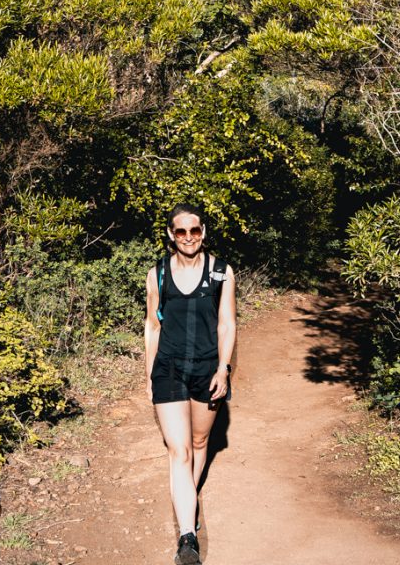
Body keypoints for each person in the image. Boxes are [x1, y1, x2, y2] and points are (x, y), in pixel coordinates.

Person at [145, 202, 235, 565]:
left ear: (203, 232)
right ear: (171, 234)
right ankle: (187, 536)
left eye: (194, 231)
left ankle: (186, 497)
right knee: (178, 451)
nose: (188, 238)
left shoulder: (220, 272)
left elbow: (226, 324)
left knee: (199, 442)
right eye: (180, 231)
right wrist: (150, 374)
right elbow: (153, 326)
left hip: (207, 369)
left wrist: (224, 369)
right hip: (168, 368)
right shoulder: (158, 274)